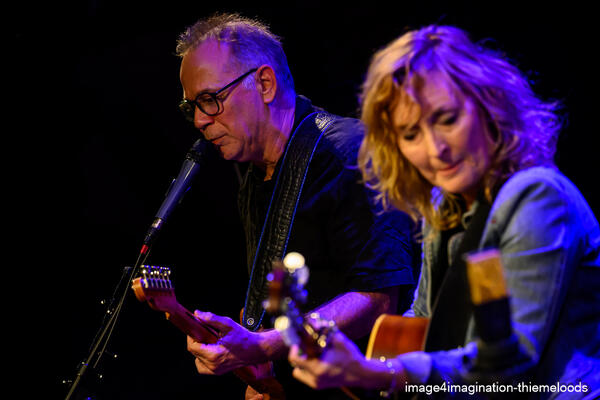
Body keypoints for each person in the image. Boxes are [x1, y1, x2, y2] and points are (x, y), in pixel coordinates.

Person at [288, 25, 600, 398]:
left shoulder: (536, 196)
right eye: (411, 134)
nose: (436, 149)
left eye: (447, 119)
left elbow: (507, 364)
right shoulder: (444, 206)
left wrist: (379, 374)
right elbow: (422, 325)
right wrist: (359, 368)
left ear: (488, 106)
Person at [174, 13, 418, 400]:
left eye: (210, 100)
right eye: (193, 107)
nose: (200, 121)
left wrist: (266, 345)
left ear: (264, 84)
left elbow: (378, 298)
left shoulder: (347, 153)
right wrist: (259, 368)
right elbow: (280, 306)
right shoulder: (254, 176)